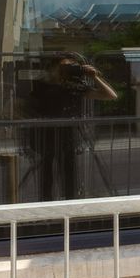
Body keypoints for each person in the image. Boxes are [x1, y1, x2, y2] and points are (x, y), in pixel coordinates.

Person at [19, 52, 119, 202]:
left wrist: (94, 76)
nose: (68, 70)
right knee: (46, 174)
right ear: (53, 67)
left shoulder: (74, 86)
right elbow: (26, 106)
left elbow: (111, 95)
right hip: (46, 135)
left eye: (72, 66)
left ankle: (70, 206)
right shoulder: (42, 86)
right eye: (65, 66)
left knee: (69, 173)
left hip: (68, 135)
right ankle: (46, 206)